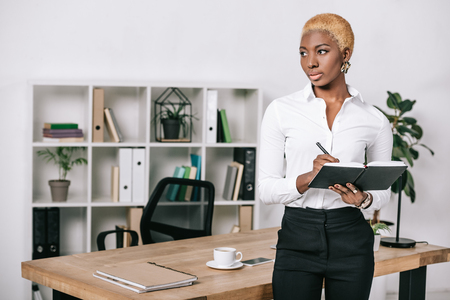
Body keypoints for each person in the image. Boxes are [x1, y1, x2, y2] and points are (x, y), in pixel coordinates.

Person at [258, 13, 393, 300]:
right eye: (303, 53)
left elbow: (383, 191)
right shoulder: (281, 111)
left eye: (322, 51)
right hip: (297, 237)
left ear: (345, 54)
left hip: (352, 241)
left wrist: (364, 199)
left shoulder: (375, 120)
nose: (311, 62)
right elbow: (266, 189)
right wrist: (307, 178)